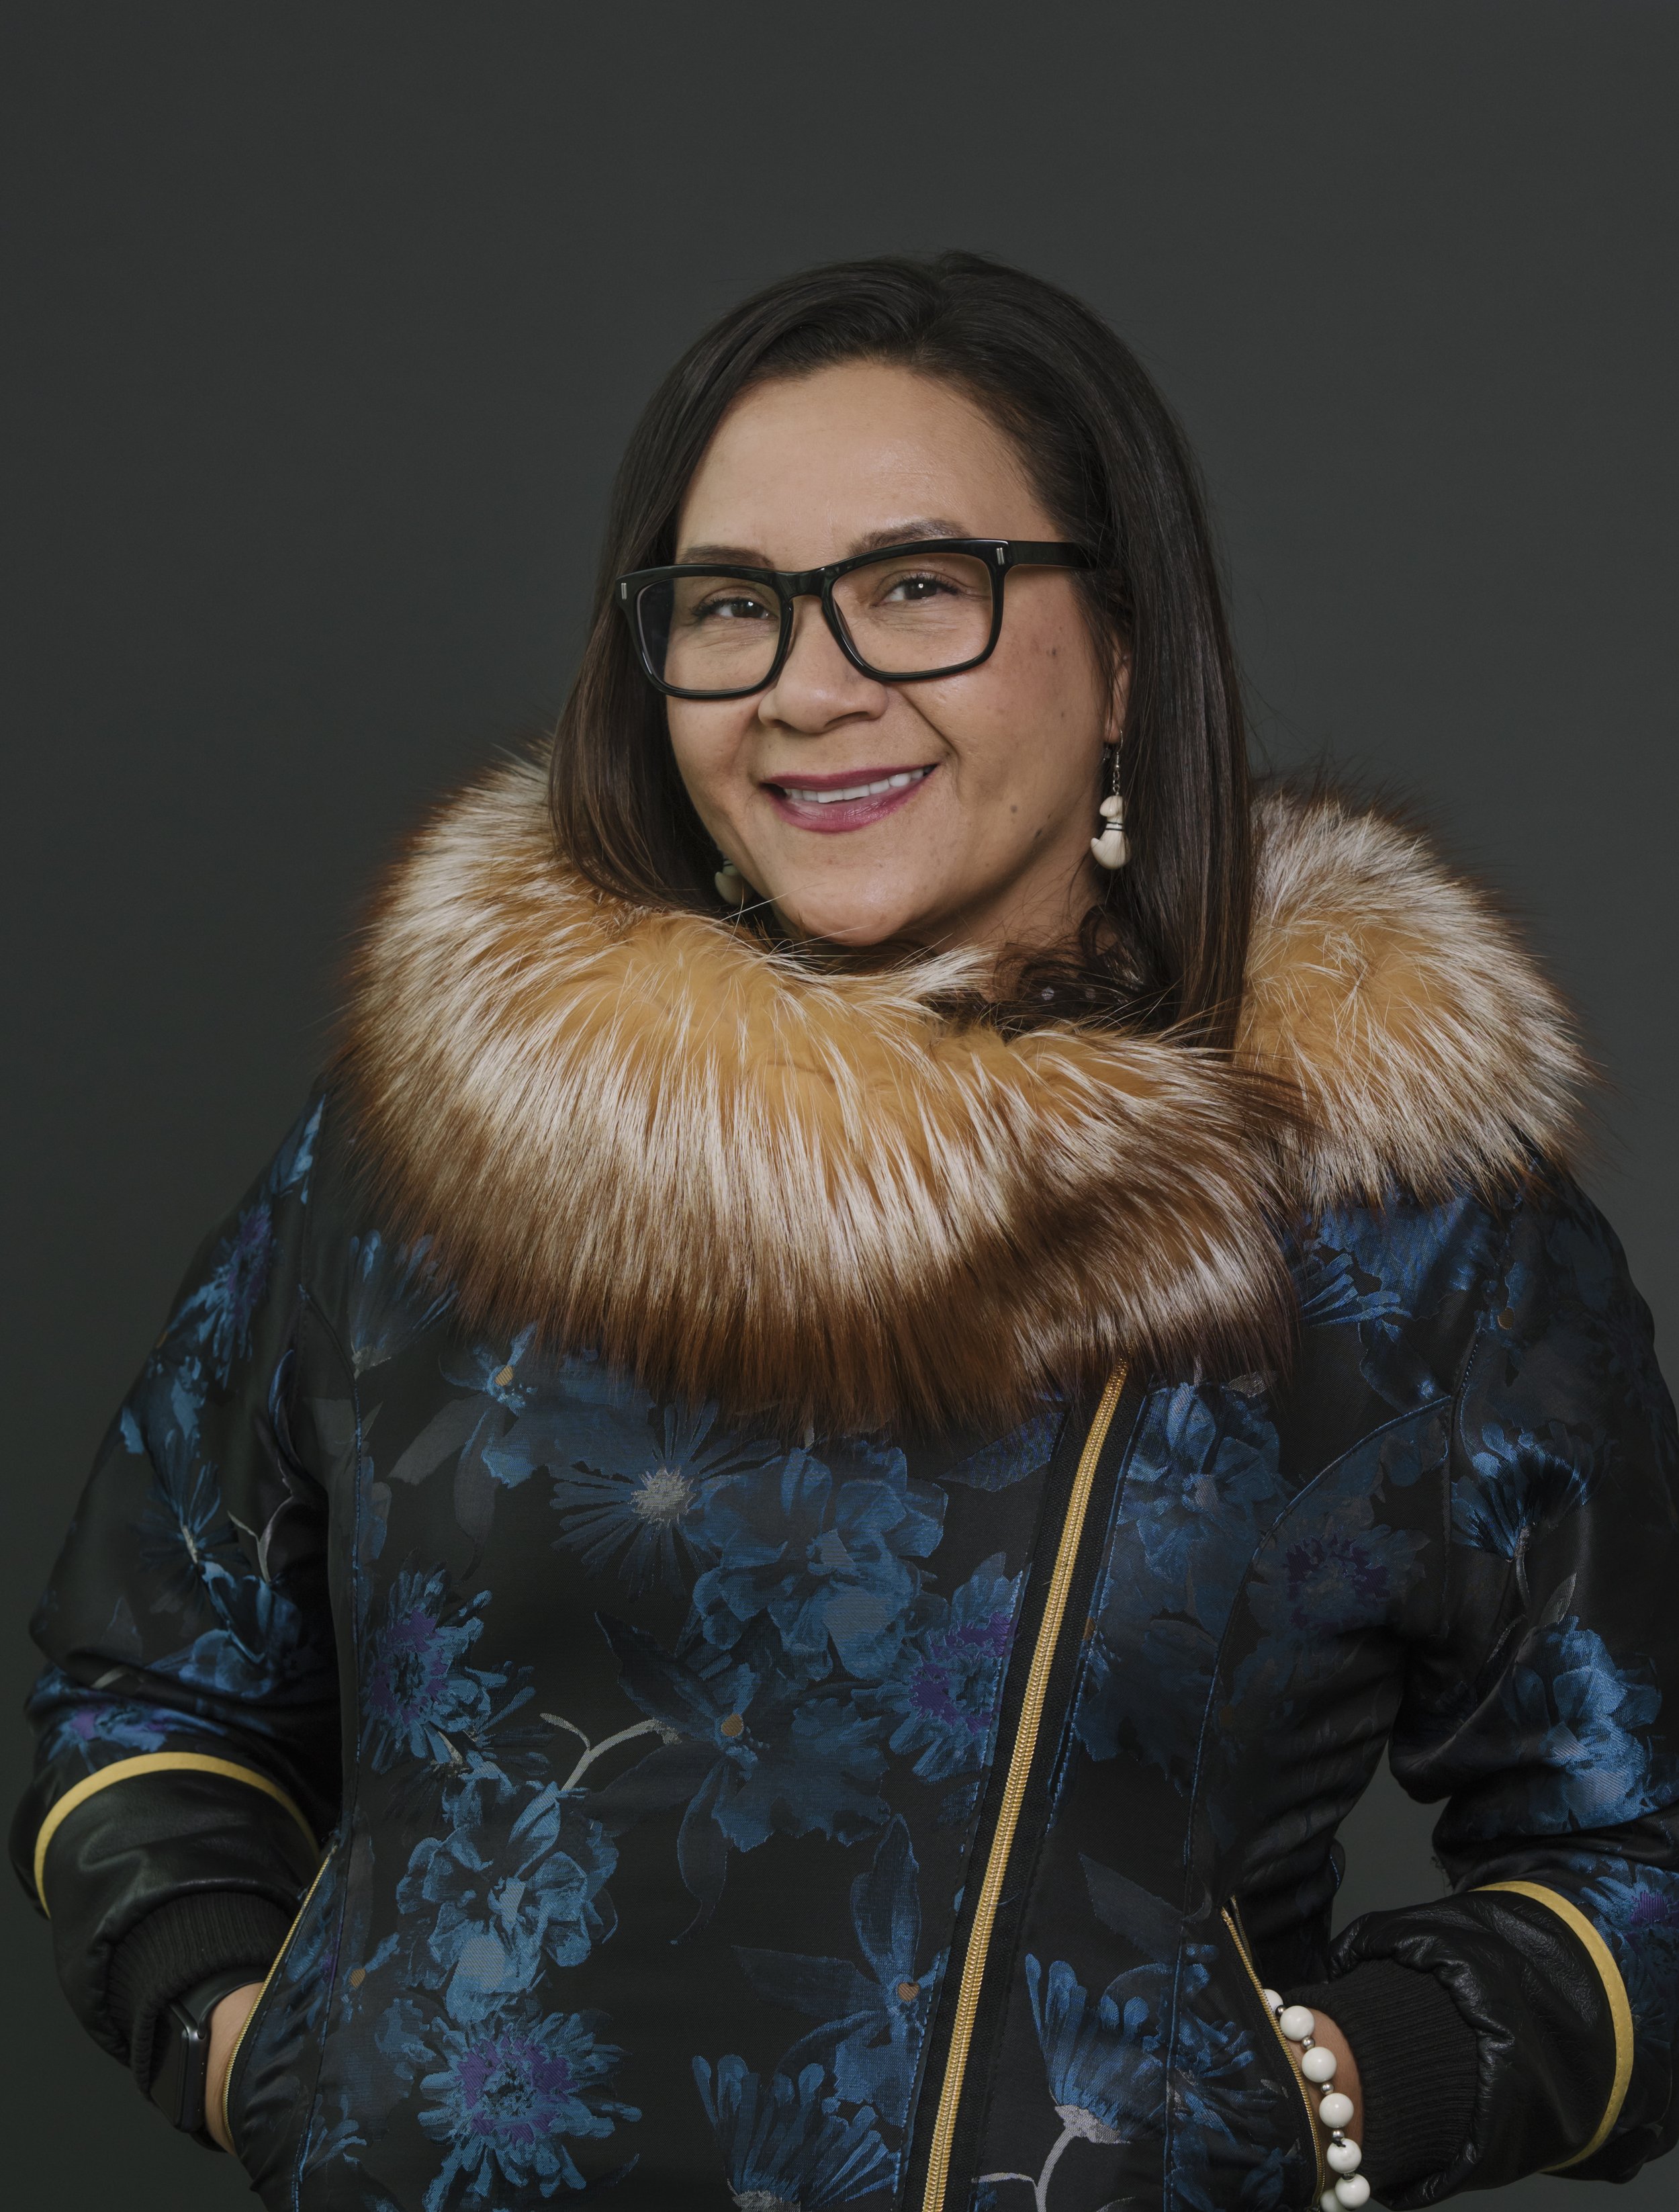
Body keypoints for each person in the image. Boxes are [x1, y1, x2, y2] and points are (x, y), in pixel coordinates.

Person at [13, 251, 1678, 2212]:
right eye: (730, 606)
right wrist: (262, 2044)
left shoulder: (1391, 1221)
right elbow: (148, 1679)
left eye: (915, 587)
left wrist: (1324, 2092)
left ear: (1125, 646)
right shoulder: (441, 1149)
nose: (809, 687)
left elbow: (1639, 1860)